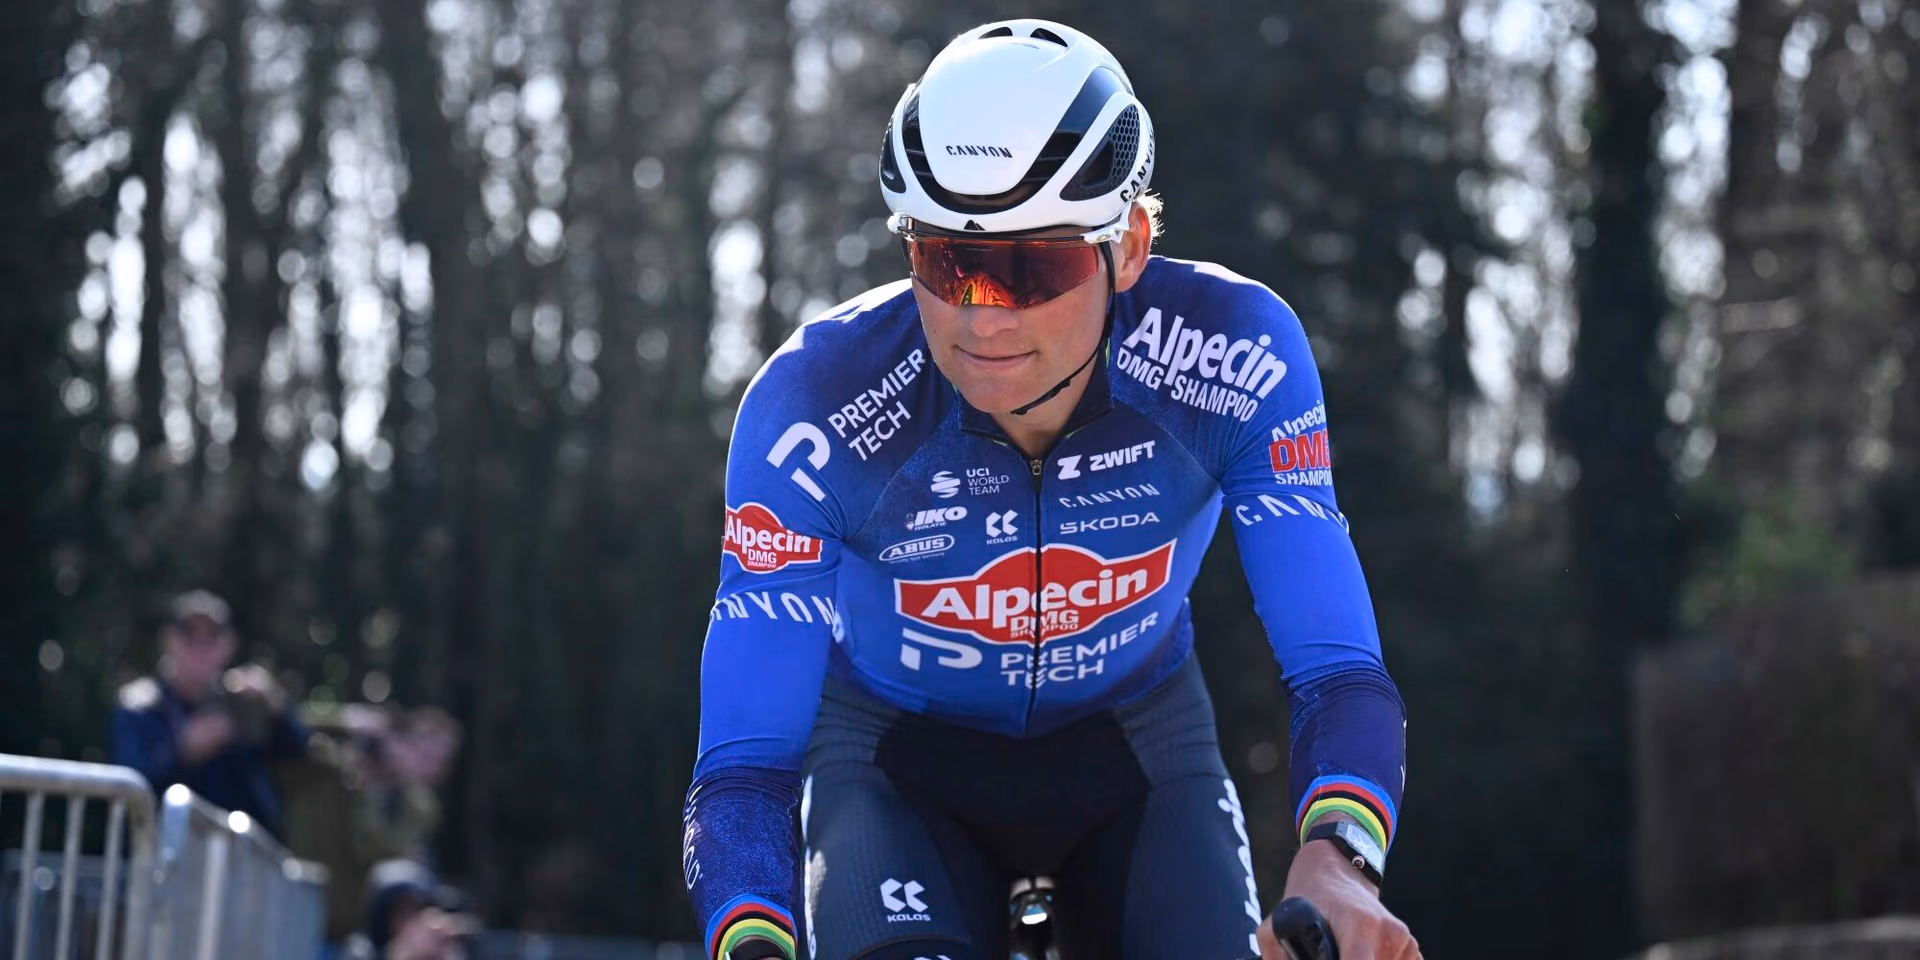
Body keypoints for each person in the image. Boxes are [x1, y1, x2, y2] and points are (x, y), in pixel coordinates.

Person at [683, 19, 1416, 960]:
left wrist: (1340, 860)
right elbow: (745, 769)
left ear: (1132, 246)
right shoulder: (816, 406)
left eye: (1040, 265)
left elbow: (1338, 671)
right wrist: (752, 941)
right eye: (950, 262)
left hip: (1136, 747)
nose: (985, 316)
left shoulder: (1232, 354)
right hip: (896, 767)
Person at [113, 589, 308, 838]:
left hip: (244, 859)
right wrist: (182, 751)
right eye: (190, 636)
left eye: (212, 637)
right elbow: (131, 787)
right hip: (167, 861)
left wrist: (275, 705)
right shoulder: (141, 706)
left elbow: (298, 750)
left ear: (229, 645)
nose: (200, 648)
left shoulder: (243, 701)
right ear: (168, 640)